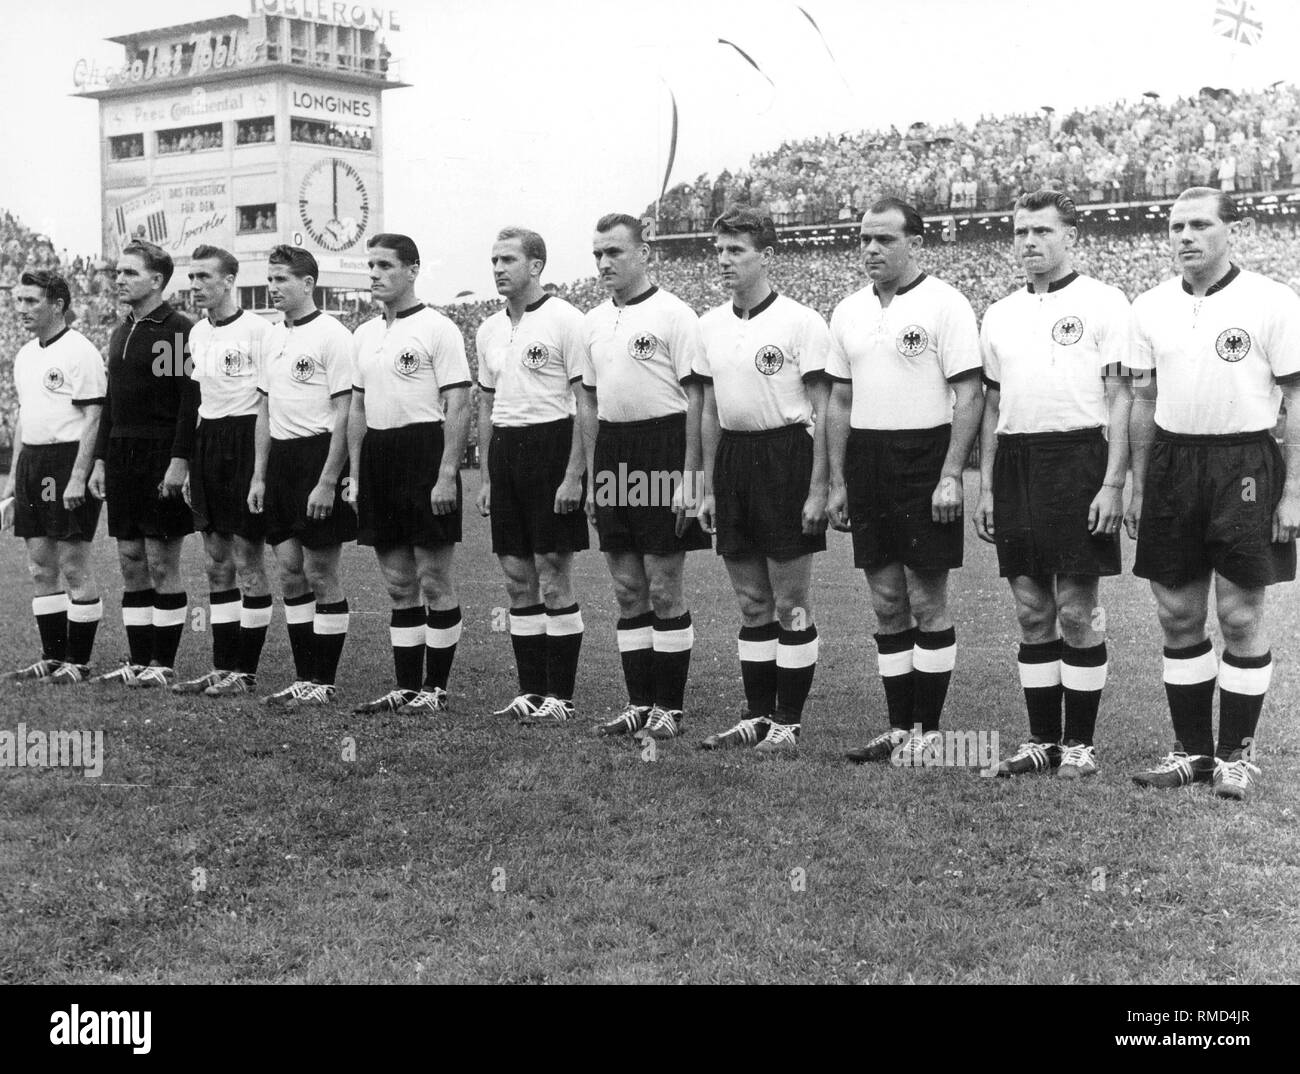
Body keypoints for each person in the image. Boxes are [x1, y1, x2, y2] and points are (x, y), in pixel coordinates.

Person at [1126, 188, 1300, 801]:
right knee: (1176, 614)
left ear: (1234, 229)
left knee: (1239, 613)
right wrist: (1139, 481)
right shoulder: (1147, 307)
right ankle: (1193, 753)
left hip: (1246, 461)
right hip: (1174, 463)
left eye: (1200, 225)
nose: (1185, 236)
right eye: (1176, 226)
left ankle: (1237, 755)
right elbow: (1143, 401)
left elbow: (1297, 399)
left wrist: (1295, 491)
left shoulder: (1273, 301)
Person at [973, 190, 1134, 779]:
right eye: (1020, 233)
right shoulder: (998, 312)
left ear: (1071, 237)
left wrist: (1114, 481)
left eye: (1042, 231)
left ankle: (1081, 744)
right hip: (1016, 461)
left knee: (1076, 608)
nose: (1030, 243)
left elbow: (1121, 397)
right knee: (1030, 608)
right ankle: (1042, 739)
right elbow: (992, 406)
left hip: (1079, 459)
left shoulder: (1104, 302)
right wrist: (987, 487)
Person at [825, 198, 983, 765]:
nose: (871, 249)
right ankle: (898, 728)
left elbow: (970, 393)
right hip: (867, 458)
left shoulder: (946, 304)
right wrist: (839, 480)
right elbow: (839, 400)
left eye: (884, 240)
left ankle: (931, 732)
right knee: (886, 599)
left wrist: (950, 473)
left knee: (926, 596)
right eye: (864, 239)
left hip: (925, 455)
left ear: (914, 241)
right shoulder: (846, 311)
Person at [694, 209, 830, 755]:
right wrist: (706, 484)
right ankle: (755, 715)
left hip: (786, 457)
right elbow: (707, 410)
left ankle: (788, 720)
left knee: (789, 599)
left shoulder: (801, 322)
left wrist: (819, 486)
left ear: (766, 256)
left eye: (737, 251)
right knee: (751, 601)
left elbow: (823, 408)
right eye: (720, 251)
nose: (725, 261)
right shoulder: (708, 325)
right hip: (733, 458)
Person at [579, 213, 711, 741]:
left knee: (661, 583)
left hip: (662, 448)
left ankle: (669, 709)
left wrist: (690, 478)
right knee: (626, 586)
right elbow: (588, 402)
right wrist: (592, 477)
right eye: (597, 255)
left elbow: (698, 399)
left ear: (644, 253)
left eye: (613, 252)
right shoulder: (591, 322)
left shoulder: (675, 314)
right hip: (613, 450)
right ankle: (638, 703)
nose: (604, 263)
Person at [344, 234, 471, 716]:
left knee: (433, 578)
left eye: (385, 266)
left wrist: (446, 474)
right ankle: (405, 686)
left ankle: (435, 689)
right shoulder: (363, 333)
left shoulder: (438, 328)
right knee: (398, 582)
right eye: (370, 265)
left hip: (423, 451)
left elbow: (457, 402)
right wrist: (356, 474)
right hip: (379, 455)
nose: (374, 274)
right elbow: (357, 406)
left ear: (413, 269)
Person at [475, 227, 590, 724]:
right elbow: (486, 403)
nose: (498, 268)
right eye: (494, 259)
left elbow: (586, 404)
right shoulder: (487, 329)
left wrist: (573, 476)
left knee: (551, 569)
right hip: (505, 448)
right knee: (516, 574)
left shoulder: (567, 320)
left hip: (551, 445)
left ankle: (560, 697)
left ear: (537, 265)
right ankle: (531, 691)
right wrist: (485, 476)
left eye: (508, 259)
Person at [248, 245, 357, 709]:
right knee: (290, 571)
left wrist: (329, 479)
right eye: (270, 279)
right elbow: (264, 407)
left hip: (318, 458)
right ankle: (303, 676)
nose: (273, 288)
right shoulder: (271, 337)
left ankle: (323, 680)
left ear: (308, 284)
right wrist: (258, 476)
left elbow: (345, 410)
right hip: (281, 463)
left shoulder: (332, 334)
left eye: (282, 280)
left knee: (320, 570)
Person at [87, 240, 198, 688]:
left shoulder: (176, 330)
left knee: (160, 561)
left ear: (156, 280)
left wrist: (178, 460)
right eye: (118, 273)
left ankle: (162, 663)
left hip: (159, 454)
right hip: (120, 455)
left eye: (130, 273)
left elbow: (187, 402)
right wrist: (98, 460)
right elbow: (111, 402)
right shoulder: (120, 330)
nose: (120, 280)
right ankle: (138, 660)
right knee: (130, 559)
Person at [172, 245, 275, 698]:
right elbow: (197, 403)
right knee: (217, 564)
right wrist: (193, 463)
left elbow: (270, 402)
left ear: (230, 279)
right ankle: (221, 666)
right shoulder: (195, 335)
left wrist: (259, 473)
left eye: (203, 277)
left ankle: (245, 672)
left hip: (247, 440)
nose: (195, 286)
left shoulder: (260, 330)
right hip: (209, 444)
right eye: (191, 278)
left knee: (249, 561)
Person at [2, 271, 105, 684]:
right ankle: (52, 656)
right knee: (40, 565)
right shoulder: (25, 354)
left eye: (31, 301)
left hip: (67, 461)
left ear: (57, 304)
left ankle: (78, 662)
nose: (21, 308)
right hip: (32, 464)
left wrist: (79, 476)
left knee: (73, 562)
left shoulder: (80, 351)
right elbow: (24, 419)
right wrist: (13, 478)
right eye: (20, 301)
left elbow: (94, 417)